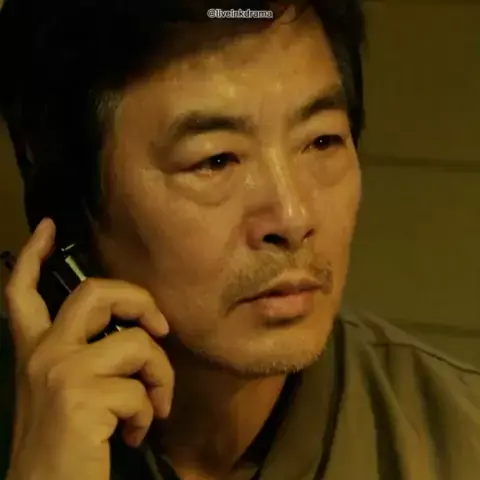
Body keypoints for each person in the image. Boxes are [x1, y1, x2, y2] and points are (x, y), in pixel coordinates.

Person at [0, 1, 479, 479]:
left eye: (322, 141)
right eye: (216, 160)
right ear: (74, 205)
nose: (293, 217)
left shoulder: (457, 437)